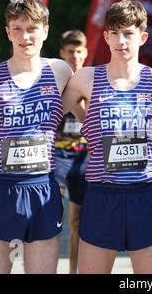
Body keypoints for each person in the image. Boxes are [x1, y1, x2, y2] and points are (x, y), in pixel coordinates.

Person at [62, 0, 152, 274]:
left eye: (128, 33)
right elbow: (54, 108)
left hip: (145, 195)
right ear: (106, 36)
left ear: (143, 36)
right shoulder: (86, 79)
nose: (121, 41)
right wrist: (84, 117)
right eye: (114, 32)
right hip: (102, 195)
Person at [0, 0, 72, 273]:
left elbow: (95, 93)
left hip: (43, 190)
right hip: (0, 192)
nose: (26, 37)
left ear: (46, 31)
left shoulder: (60, 71)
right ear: (8, 33)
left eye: (32, 28)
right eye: (18, 29)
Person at [55, 30, 89, 273]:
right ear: (62, 54)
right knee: (52, 218)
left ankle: (74, 271)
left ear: (86, 53)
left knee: (77, 221)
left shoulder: (94, 79)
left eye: (79, 51)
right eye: (70, 52)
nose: (75, 56)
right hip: (57, 157)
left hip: (84, 157)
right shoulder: (53, 79)